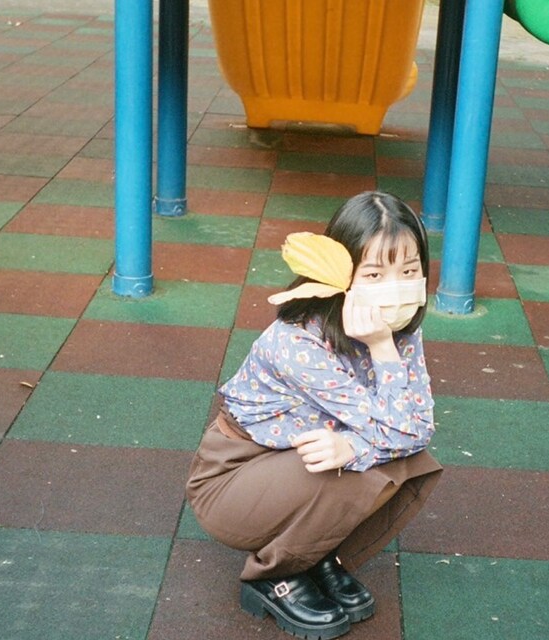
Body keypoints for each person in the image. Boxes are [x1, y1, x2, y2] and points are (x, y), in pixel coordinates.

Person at [186, 191, 443, 640]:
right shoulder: (298, 341)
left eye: (409, 271)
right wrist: (382, 352)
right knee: (363, 468)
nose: (396, 286)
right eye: (374, 273)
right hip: (233, 479)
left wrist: (356, 442)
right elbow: (403, 428)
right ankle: (273, 574)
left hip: (294, 463)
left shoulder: (396, 328)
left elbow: (417, 430)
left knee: (401, 459)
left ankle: (315, 555)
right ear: (340, 274)